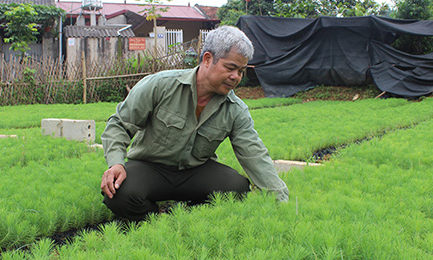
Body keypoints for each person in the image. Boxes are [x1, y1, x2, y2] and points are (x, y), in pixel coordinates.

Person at [100, 25, 289, 221]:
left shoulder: (235, 109)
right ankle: (156, 220)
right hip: (150, 168)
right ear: (207, 59)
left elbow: (254, 153)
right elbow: (119, 124)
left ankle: (186, 219)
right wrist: (116, 164)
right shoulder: (160, 85)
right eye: (230, 68)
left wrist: (281, 200)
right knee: (118, 193)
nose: (236, 77)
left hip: (195, 172)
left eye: (241, 71)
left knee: (237, 188)